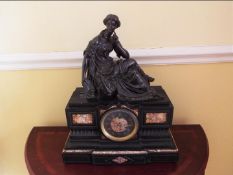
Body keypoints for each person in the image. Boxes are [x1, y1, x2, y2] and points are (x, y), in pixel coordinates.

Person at [82, 14, 155, 101]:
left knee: (132, 62)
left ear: (116, 27)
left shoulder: (113, 40)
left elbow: (126, 56)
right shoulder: (95, 41)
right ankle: (144, 81)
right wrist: (83, 78)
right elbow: (86, 58)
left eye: (114, 25)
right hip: (101, 71)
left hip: (111, 65)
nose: (111, 27)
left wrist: (117, 44)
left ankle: (145, 82)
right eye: (109, 24)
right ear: (106, 24)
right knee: (111, 90)